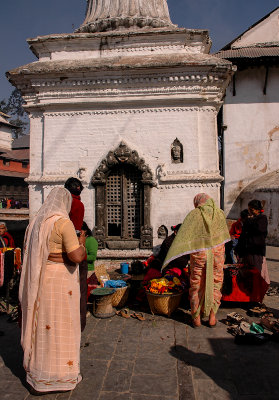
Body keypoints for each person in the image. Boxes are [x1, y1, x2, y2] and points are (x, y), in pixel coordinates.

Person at [19, 187, 86, 395]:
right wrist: (82, 244)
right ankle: (60, 375)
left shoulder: (36, 222)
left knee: (44, 324)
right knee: (62, 324)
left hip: (42, 279)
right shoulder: (62, 223)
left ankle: (40, 375)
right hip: (60, 281)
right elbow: (75, 256)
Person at [163, 193, 230, 327]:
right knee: (216, 283)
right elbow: (223, 235)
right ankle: (212, 317)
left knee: (196, 284)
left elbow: (184, 235)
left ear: (197, 202)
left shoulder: (194, 215)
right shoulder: (220, 213)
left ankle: (196, 318)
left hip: (200, 253)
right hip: (217, 254)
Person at [236, 199, 270, 303]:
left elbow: (260, 230)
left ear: (257, 210)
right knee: (247, 275)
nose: (250, 211)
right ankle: (247, 296)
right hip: (247, 251)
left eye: (252, 209)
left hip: (256, 251)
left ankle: (255, 298)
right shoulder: (250, 220)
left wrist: (249, 221)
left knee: (255, 275)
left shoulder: (262, 219)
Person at [79, 222, 98, 331]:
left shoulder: (91, 241)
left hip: (88, 269)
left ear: (85, 230)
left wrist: (81, 255)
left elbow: (92, 256)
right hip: (79, 268)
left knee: (83, 293)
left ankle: (84, 310)